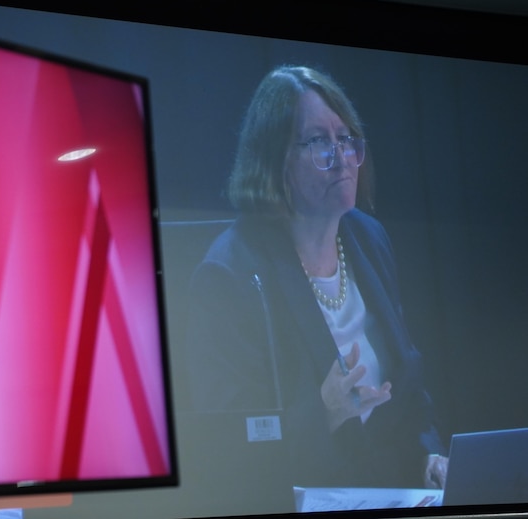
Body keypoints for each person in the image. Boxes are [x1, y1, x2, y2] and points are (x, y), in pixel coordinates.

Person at [186, 65, 448, 490]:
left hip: (395, 490)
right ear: (276, 162)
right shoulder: (229, 275)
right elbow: (225, 450)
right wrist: (324, 411)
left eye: (345, 139)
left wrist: (428, 454)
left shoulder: (367, 237)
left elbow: (408, 380)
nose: (342, 158)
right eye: (319, 143)